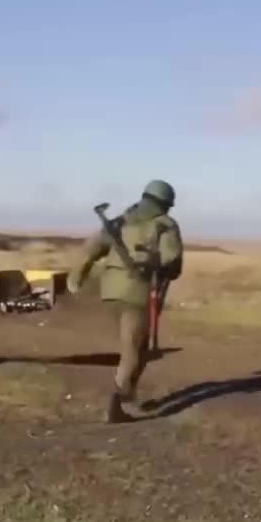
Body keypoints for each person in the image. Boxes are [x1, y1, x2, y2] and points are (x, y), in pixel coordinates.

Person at [72, 180, 184, 423]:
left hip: (110, 291)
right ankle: (119, 402)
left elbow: (90, 249)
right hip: (140, 293)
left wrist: (76, 277)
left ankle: (127, 397)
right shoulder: (165, 225)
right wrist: (158, 266)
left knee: (131, 347)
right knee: (135, 349)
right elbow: (172, 262)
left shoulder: (121, 221)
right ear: (165, 204)